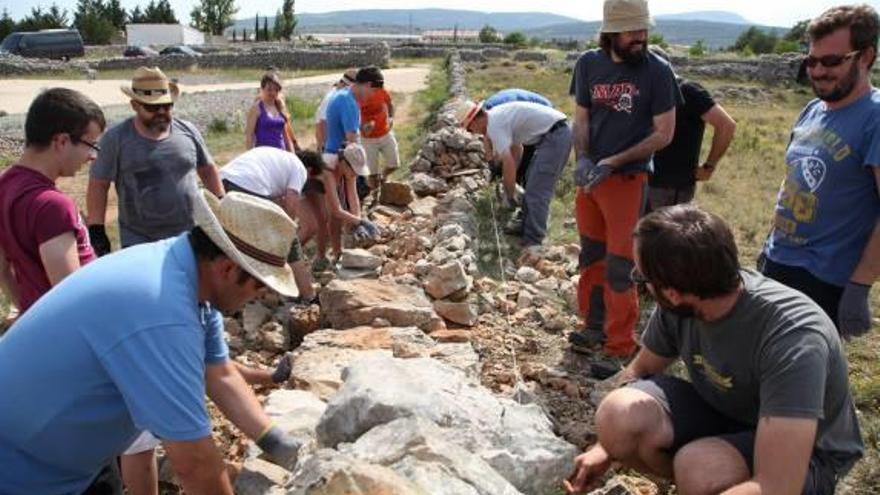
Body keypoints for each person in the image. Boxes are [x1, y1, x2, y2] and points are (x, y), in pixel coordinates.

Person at [0, 192, 304, 494]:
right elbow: (195, 463)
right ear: (227, 268)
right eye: (259, 285)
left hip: (73, 459)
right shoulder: (161, 308)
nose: (262, 296)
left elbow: (219, 374)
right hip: (21, 468)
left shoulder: (188, 276)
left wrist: (274, 441)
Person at [563, 204, 863, 495]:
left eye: (641, 278)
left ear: (672, 293)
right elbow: (640, 370)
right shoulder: (685, 299)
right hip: (728, 414)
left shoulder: (793, 338)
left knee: (699, 468)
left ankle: (703, 479)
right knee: (617, 416)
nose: (639, 283)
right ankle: (697, 480)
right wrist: (606, 447)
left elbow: (777, 485)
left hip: (806, 454)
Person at [567, 0, 681, 362]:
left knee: (620, 265)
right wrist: (583, 157)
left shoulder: (657, 71)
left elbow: (665, 133)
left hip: (627, 180)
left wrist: (613, 161)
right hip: (591, 181)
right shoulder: (589, 64)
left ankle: (619, 345)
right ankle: (594, 326)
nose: (641, 37)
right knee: (591, 255)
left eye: (644, 30)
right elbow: (581, 119)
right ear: (611, 32)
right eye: (633, 31)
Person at [759, 4, 880, 339]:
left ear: (866, 57)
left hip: (825, 280)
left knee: (799, 380)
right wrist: (770, 245)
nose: (818, 71)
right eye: (811, 61)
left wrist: (860, 284)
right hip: (778, 261)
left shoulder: (875, 118)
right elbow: (793, 178)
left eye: (832, 61)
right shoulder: (813, 110)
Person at [86, 66, 225, 253]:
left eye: (167, 106)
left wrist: (222, 207)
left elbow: (208, 169)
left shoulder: (188, 131)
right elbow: (99, 184)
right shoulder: (116, 139)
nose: (161, 111)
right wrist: (97, 230)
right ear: (135, 105)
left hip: (189, 236)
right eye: (152, 107)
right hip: (140, 241)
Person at [456, 99, 572, 247]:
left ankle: (534, 243)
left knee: (537, 191)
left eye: (469, 130)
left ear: (473, 122)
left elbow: (509, 161)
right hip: (552, 136)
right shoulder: (496, 118)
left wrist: (509, 194)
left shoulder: (494, 125)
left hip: (555, 136)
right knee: (531, 181)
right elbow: (517, 151)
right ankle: (525, 226)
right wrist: (508, 180)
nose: (472, 133)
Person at [220, 146, 318, 303]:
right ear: (310, 170)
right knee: (289, 239)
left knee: (237, 241)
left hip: (222, 181)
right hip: (248, 185)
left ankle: (231, 295)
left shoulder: (280, 158)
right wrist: (285, 232)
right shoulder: (300, 169)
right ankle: (309, 295)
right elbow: (291, 203)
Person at [647, 46, 737, 210]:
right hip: (645, 180)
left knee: (665, 234)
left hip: (670, 187)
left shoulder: (688, 91)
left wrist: (709, 166)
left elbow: (726, 125)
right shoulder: (648, 90)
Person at [297, 143, 380, 268]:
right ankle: (289, 258)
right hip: (301, 182)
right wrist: (361, 221)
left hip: (318, 185)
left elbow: (353, 197)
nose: (356, 174)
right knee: (313, 224)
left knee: (333, 219)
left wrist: (357, 222)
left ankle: (335, 255)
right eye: (354, 170)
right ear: (344, 163)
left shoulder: (348, 170)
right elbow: (336, 209)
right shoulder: (328, 170)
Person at [483, 88, 555, 191]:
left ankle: (523, 188)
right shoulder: (486, 115)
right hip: (524, 109)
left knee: (528, 156)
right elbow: (486, 137)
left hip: (543, 112)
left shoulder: (499, 117)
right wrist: (491, 163)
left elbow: (517, 149)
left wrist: (509, 174)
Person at [356, 66, 400, 193]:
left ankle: (384, 175)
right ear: (368, 84)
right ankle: (376, 198)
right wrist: (362, 126)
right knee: (372, 174)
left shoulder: (382, 91)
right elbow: (353, 118)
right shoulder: (358, 97)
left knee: (394, 164)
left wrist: (391, 118)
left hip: (385, 133)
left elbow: (390, 104)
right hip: (368, 139)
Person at [244, 70, 298, 152]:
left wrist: (292, 155)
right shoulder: (256, 108)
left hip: (281, 153)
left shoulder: (279, 107)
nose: (273, 93)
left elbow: (286, 137)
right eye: (269, 89)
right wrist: (251, 156)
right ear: (262, 89)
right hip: (264, 155)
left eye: (276, 90)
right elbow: (249, 135)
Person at [315, 68, 358, 153]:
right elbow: (322, 122)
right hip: (331, 148)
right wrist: (323, 146)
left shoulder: (340, 95)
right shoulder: (332, 97)